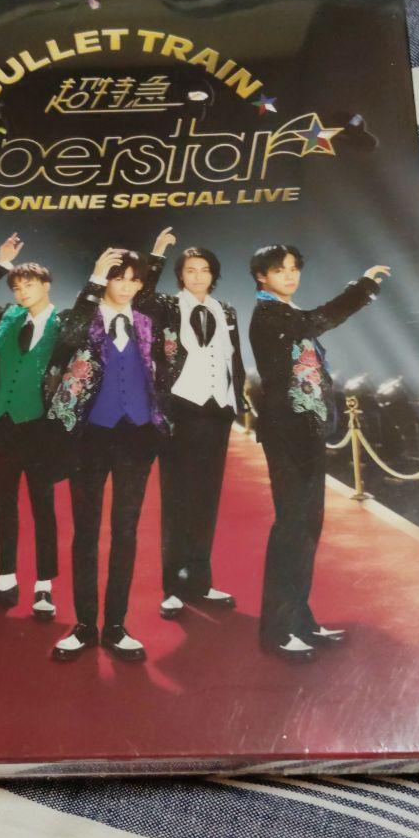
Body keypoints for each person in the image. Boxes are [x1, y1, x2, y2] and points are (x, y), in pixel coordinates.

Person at [248, 244, 390, 662]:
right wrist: (361, 288)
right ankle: (278, 631)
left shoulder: (286, 311)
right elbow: (320, 320)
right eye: (280, 270)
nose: (290, 276)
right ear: (261, 277)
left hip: (305, 431)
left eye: (294, 268)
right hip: (287, 433)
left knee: (307, 527)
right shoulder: (269, 314)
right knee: (292, 527)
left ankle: (300, 620)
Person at [45, 246, 173, 661]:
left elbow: (165, 369)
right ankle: (84, 625)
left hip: (137, 435)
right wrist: (94, 280)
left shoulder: (148, 322)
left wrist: (160, 417)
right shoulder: (81, 317)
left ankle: (116, 625)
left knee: (126, 531)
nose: (127, 286)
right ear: (104, 280)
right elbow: (64, 345)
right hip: (90, 437)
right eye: (118, 277)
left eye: (134, 279)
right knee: (85, 531)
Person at [0, 232, 66, 621]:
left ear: (46, 285)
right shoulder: (8, 317)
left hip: (39, 428)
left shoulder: (64, 323)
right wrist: (0, 262)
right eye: (16, 287)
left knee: (43, 509)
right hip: (2, 425)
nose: (21, 292)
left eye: (28, 284)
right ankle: (5, 581)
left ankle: (44, 587)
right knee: (4, 507)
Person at [139, 228, 247, 618]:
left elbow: (234, 359)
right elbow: (142, 297)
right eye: (190, 270)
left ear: (213, 275)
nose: (197, 276)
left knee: (207, 498)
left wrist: (237, 401)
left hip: (218, 410)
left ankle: (200, 582)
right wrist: (156, 253)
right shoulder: (168, 305)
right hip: (180, 409)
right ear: (180, 275)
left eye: (204, 270)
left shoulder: (227, 310)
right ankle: (172, 586)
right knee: (177, 499)